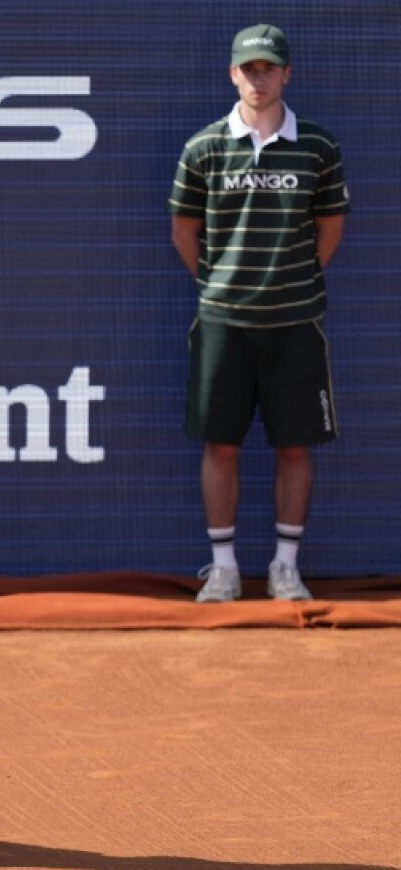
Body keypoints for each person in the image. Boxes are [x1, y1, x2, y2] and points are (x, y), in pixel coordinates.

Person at [169, 24, 350, 603]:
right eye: (249, 69)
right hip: (223, 321)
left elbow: (330, 227)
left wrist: (291, 280)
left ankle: (284, 568)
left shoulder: (318, 147)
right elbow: (184, 231)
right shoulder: (203, 148)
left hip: (295, 322)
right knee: (220, 446)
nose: (259, 78)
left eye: (269, 68)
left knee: (294, 447)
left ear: (286, 74)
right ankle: (222, 569)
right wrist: (222, 284)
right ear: (233, 74)